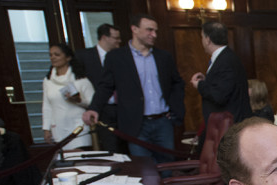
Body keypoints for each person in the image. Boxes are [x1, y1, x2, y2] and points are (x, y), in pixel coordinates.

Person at [83, 13, 185, 164]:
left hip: (163, 122)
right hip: (136, 124)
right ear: (134, 29)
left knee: (167, 168)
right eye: (149, 30)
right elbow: (105, 86)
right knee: (144, 169)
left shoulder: (164, 57)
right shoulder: (116, 57)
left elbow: (177, 83)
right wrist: (94, 108)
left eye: (155, 31)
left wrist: (175, 110)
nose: (154, 34)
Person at [191, 21, 251, 144]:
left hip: (228, 128)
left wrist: (199, 85)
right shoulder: (225, 57)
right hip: (226, 125)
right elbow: (224, 85)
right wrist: (206, 81)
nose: (202, 40)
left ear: (207, 39)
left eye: (202, 37)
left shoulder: (225, 60)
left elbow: (219, 95)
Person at [75, 23, 124, 152]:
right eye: (116, 38)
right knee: (110, 148)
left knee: (127, 146)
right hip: (101, 110)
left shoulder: (122, 56)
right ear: (104, 37)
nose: (119, 41)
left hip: (123, 108)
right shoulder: (84, 56)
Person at [42, 43, 93, 150]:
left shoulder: (80, 79)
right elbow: (47, 106)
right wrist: (46, 128)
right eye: (51, 55)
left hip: (78, 127)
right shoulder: (48, 80)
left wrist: (78, 100)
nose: (53, 58)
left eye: (57, 55)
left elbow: (93, 103)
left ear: (68, 57)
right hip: (59, 127)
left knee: (78, 160)